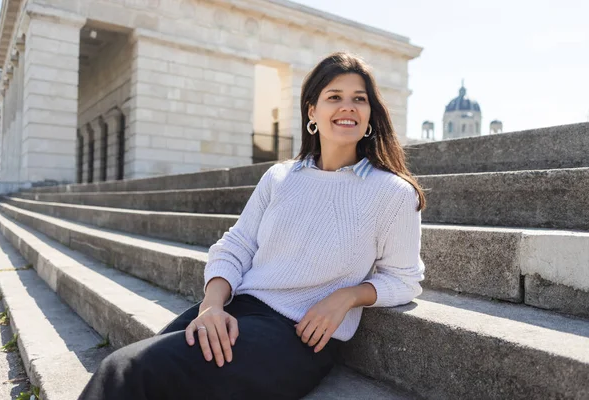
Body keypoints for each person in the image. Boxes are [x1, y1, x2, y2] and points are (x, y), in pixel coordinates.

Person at [78, 51, 426, 400]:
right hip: (236, 310)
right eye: (334, 97)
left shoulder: (393, 192)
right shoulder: (279, 177)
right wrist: (212, 305)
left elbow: (404, 279)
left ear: (369, 115)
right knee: (125, 371)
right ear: (311, 111)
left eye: (359, 99)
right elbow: (237, 245)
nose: (348, 107)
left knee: (128, 373)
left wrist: (348, 297)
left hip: (296, 337)